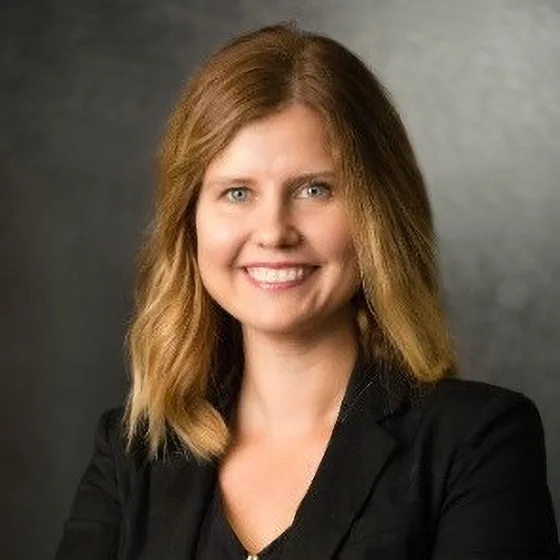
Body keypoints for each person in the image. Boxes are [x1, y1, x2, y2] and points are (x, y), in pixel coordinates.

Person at [54, 23, 559, 560]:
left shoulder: (476, 441)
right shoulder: (133, 452)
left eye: (315, 189)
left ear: (376, 215)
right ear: (190, 221)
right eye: (237, 192)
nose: (273, 231)